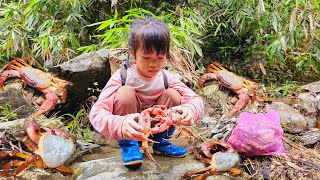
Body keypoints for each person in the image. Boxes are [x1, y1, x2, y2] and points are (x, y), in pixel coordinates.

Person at [89, 16, 204, 169]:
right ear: (132, 53)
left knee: (173, 94)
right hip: (131, 131)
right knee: (125, 93)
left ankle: (161, 143)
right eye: (146, 57)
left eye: (160, 57)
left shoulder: (165, 77)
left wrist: (190, 110)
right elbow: (96, 113)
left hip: (158, 128)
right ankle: (129, 147)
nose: (154, 64)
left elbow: (195, 99)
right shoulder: (122, 76)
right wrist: (120, 124)